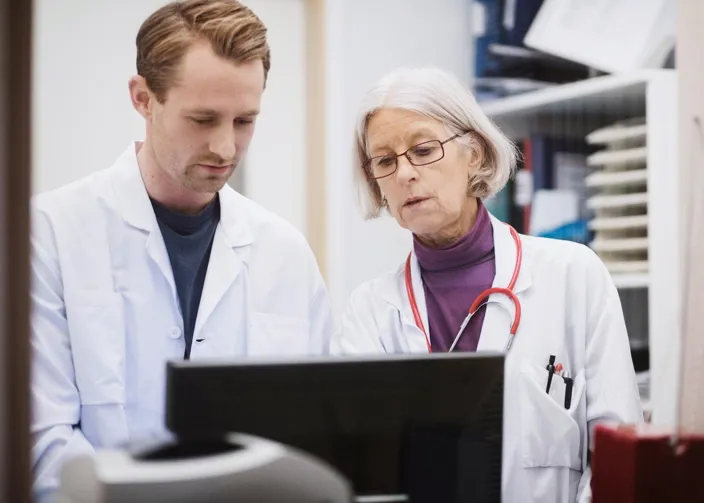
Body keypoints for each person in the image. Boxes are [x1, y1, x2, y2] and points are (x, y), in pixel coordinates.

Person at [30, 1, 333, 501]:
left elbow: (314, 437)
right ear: (143, 98)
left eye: (244, 121)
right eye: (203, 119)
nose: (225, 148)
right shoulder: (49, 234)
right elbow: (41, 446)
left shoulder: (285, 255)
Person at [331, 67, 643, 502]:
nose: (405, 173)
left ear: (473, 152)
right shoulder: (369, 312)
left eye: (423, 150)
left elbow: (616, 453)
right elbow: (362, 472)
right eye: (385, 161)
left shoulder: (573, 274)